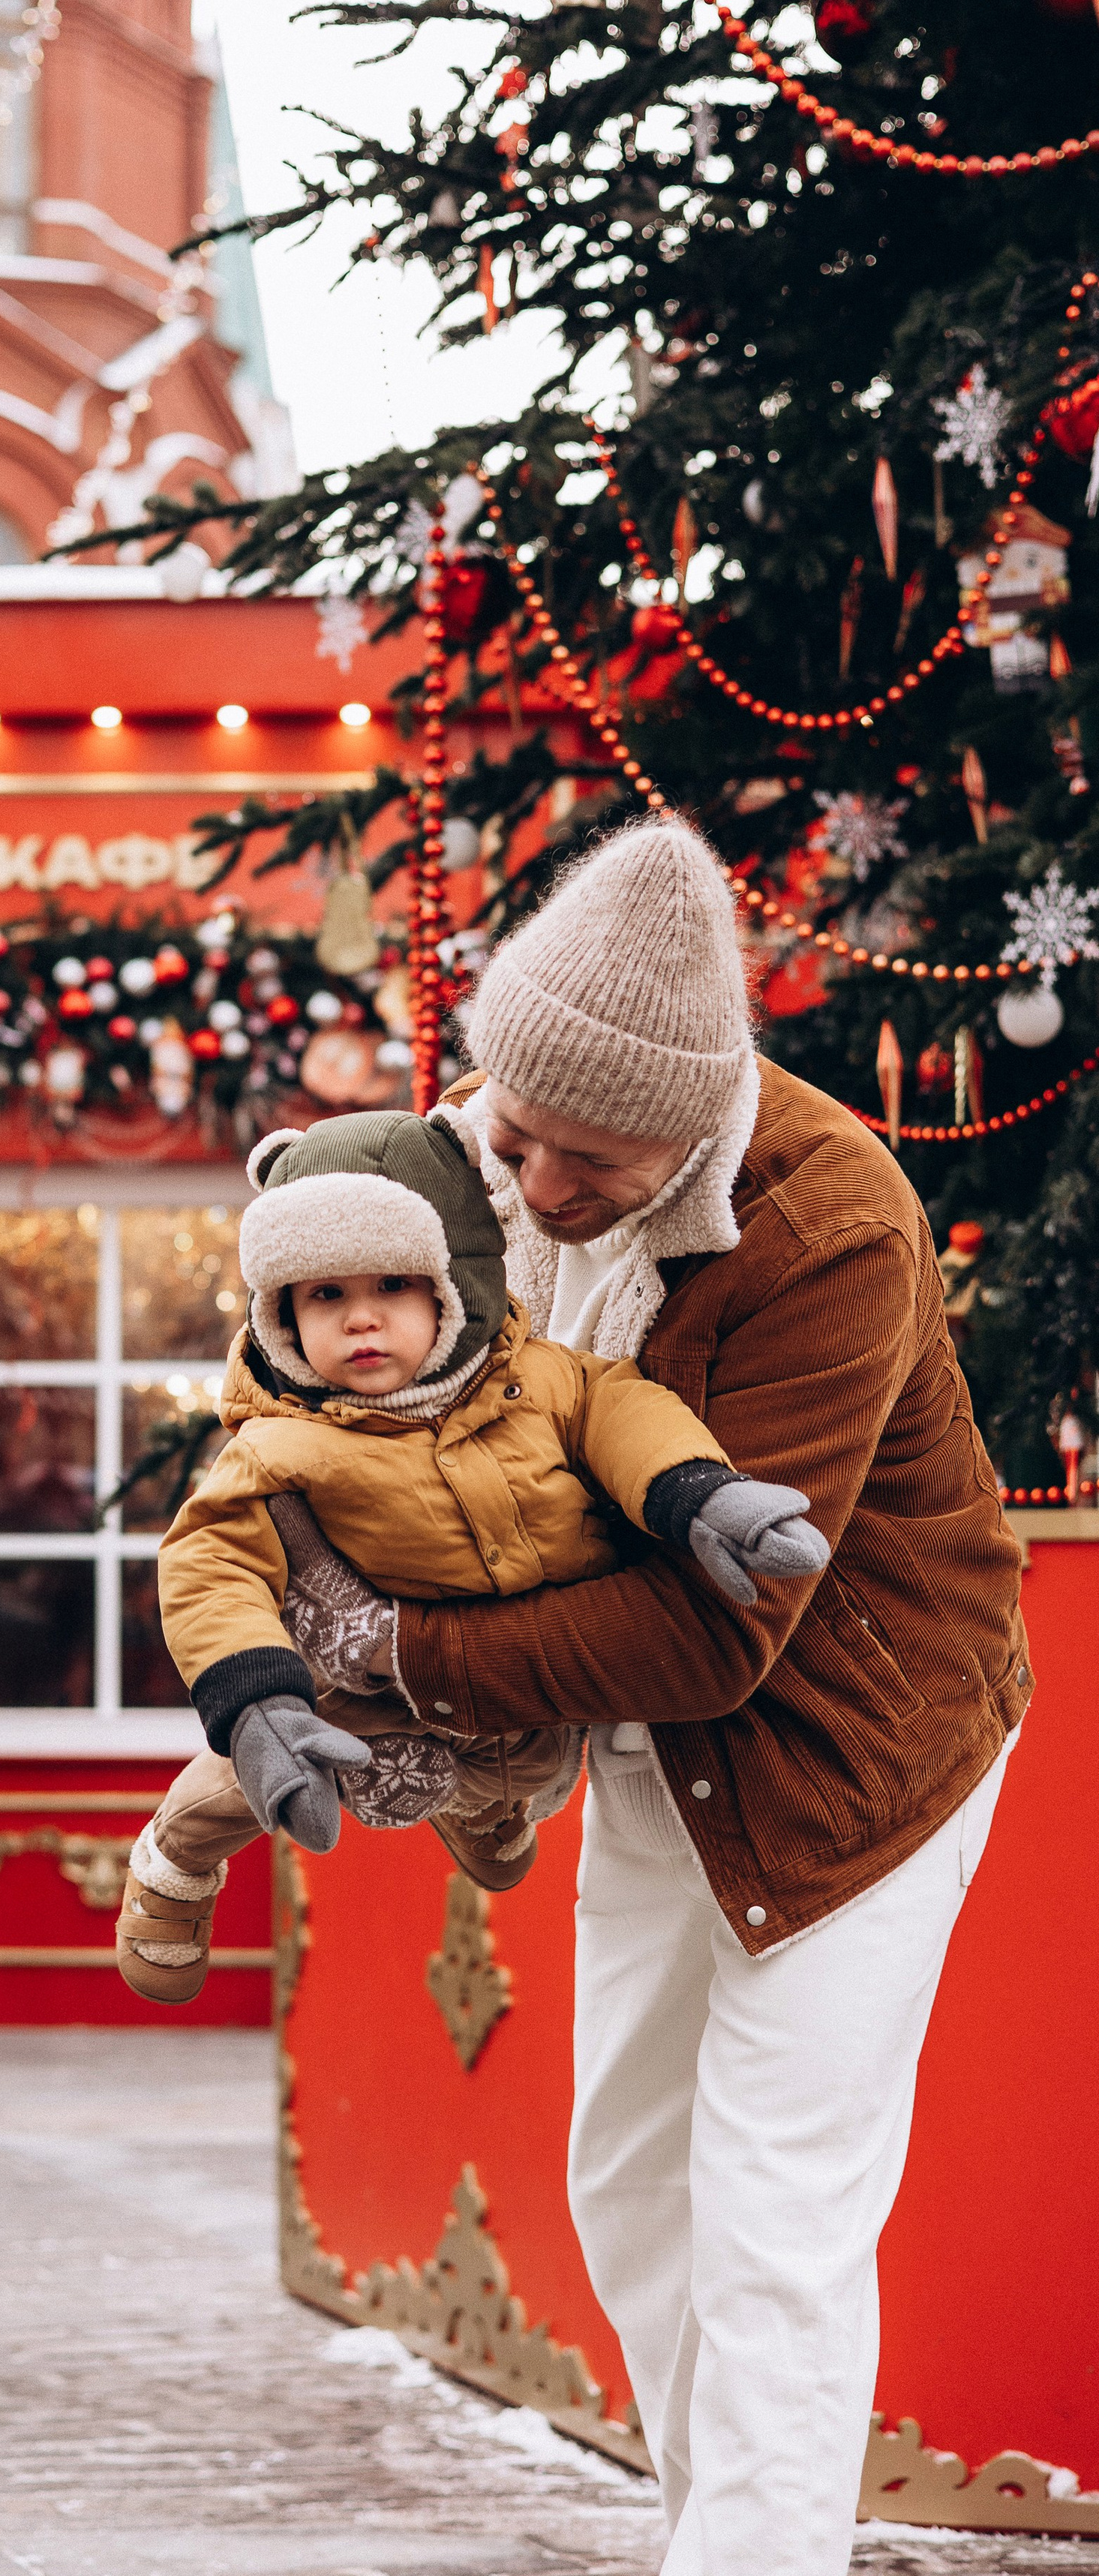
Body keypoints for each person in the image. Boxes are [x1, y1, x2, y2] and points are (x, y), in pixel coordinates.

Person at [242, 821, 1029, 2576]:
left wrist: (398, 1652)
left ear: (697, 1117)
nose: (528, 1183)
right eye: (508, 1131)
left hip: (856, 1751)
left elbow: (711, 1629)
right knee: (628, 2173)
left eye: (583, 1159)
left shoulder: (825, 1228)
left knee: (774, 2208)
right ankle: (720, 2528)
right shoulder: (486, 1149)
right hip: (660, 1752)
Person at [115, 1106, 829, 2002]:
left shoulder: (540, 1377)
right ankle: (173, 1861)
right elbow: (210, 1562)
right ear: (281, 1314)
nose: (362, 1319)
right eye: (324, 1296)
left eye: (392, 1286)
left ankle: (480, 1805)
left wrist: (699, 1493)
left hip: (515, 1674)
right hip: (357, 1687)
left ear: (453, 1285)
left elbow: (625, 1415)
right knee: (270, 1775)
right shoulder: (280, 1446)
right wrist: (253, 1695)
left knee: (519, 1772)